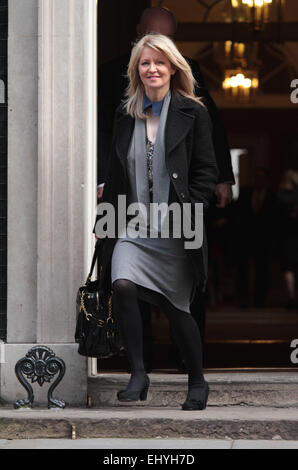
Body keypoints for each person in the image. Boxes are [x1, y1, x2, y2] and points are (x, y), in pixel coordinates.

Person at [97, 6, 234, 370]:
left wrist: (200, 201)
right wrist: (104, 208)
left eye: (163, 56)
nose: (153, 67)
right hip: (131, 216)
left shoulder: (193, 109)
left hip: (179, 217)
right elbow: (106, 147)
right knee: (123, 285)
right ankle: (138, 369)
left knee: (180, 303)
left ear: (174, 64)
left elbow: (208, 150)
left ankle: (192, 373)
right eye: (145, 61)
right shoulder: (119, 101)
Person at [276, 169, 298, 310]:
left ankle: (291, 297)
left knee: (288, 269)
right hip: (293, 235)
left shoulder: (280, 196)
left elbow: (275, 219)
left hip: (286, 236)